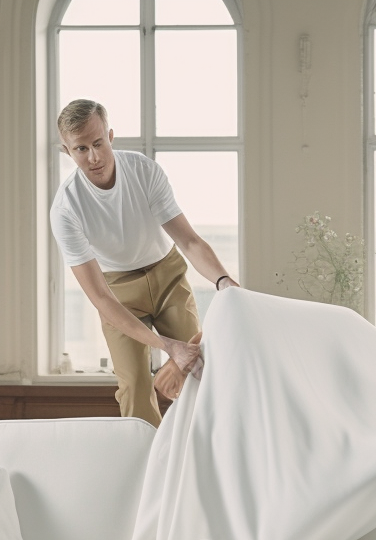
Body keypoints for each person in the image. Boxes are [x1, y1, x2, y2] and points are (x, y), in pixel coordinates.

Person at [50, 98, 239, 424]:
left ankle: (204, 459)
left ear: (110, 136)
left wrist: (224, 282)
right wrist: (168, 348)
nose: (94, 157)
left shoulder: (143, 171)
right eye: (81, 149)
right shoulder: (66, 209)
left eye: (98, 143)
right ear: (67, 152)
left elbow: (189, 240)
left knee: (200, 369)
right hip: (117, 293)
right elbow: (99, 298)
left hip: (167, 275)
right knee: (135, 386)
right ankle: (148, 470)